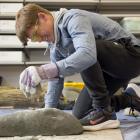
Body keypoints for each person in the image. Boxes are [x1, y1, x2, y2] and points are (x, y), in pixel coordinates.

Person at [16, 3, 140, 126]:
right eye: (35, 39)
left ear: (42, 16)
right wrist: (47, 112)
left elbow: (87, 54)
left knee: (85, 50)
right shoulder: (55, 45)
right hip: (109, 73)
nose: (40, 39)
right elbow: (56, 80)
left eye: (37, 34)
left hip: (132, 58)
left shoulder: (74, 19)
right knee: (79, 115)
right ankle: (129, 98)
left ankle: (103, 110)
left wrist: (43, 71)